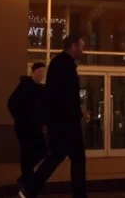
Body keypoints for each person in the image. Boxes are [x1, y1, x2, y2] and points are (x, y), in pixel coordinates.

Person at [20, 34, 87, 198]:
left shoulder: (59, 63)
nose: (83, 51)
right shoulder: (65, 65)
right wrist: (76, 114)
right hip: (67, 122)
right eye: (81, 47)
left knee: (57, 156)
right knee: (76, 159)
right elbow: (66, 95)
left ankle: (29, 190)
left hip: (60, 121)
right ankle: (78, 195)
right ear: (73, 46)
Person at [9, 61, 47, 189]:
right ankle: (27, 178)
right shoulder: (24, 86)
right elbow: (11, 103)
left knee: (41, 150)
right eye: (39, 72)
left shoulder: (40, 89)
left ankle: (26, 176)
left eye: (43, 72)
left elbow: (42, 108)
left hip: (36, 126)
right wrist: (21, 118)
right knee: (27, 151)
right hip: (25, 126)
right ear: (33, 72)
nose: (41, 75)